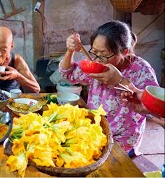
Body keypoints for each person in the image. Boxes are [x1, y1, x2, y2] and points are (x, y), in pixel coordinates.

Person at [59, 20, 159, 156]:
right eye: (94, 52)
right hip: (96, 132)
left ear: (125, 52)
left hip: (124, 141)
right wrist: (70, 51)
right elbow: (68, 73)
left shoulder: (141, 69)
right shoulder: (96, 63)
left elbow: (155, 109)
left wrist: (119, 81)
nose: (98, 59)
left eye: (104, 54)